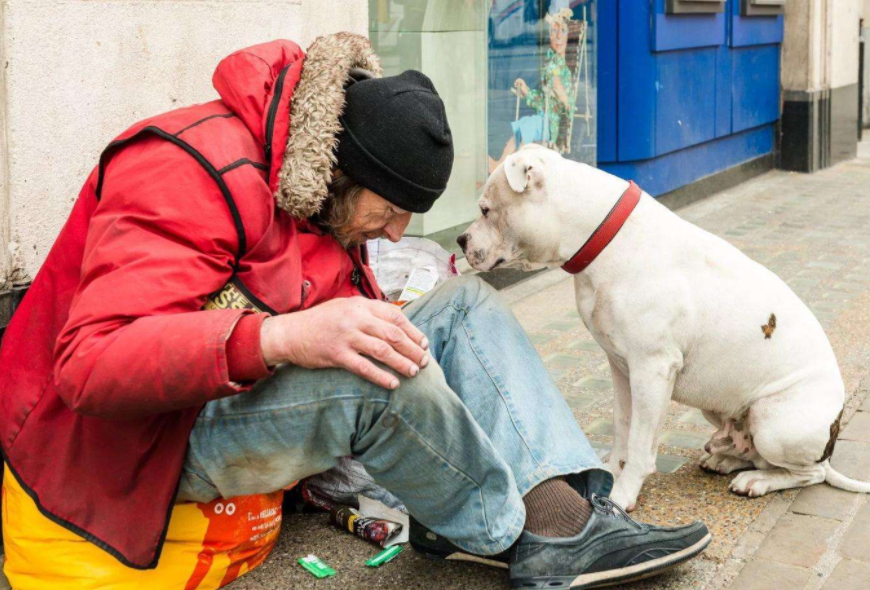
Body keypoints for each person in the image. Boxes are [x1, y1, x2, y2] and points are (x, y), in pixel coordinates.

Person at [0, 33, 709, 588]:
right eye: (392, 210)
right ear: (342, 166)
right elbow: (90, 367)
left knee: (459, 306)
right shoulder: (188, 170)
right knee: (372, 375)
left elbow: (347, 315)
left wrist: (353, 330)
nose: (399, 233)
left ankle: (571, 513)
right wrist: (279, 337)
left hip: (217, 398)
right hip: (121, 441)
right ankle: (513, 532)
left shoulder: (317, 189)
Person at [489, 6, 577, 173]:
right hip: (544, 118)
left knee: (526, 128)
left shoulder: (563, 70)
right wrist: (527, 92)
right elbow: (544, 101)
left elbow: (570, 106)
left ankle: (505, 168)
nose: (558, 36)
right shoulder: (551, 64)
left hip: (552, 124)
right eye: (554, 31)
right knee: (522, 127)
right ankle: (502, 165)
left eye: (562, 31)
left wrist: (562, 95)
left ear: (569, 36)